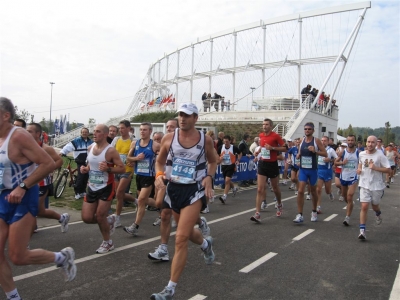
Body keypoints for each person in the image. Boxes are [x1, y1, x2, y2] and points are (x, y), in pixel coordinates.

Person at [0, 98, 76, 300]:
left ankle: (62, 257)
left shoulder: (19, 137)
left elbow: (49, 163)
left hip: (23, 197)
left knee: (18, 256)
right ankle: (14, 297)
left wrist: (23, 186)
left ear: (5, 116)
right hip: (2, 197)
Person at [151, 103, 216, 299]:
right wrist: (159, 175)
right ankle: (205, 244)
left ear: (195, 118)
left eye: (187, 115)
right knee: (185, 233)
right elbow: (159, 161)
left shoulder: (205, 140)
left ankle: (170, 289)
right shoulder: (169, 138)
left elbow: (213, 161)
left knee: (179, 238)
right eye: (180, 115)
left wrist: (209, 177)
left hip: (194, 190)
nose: (182, 118)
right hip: (174, 189)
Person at [80, 124, 125, 253]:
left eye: (98, 132)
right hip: (92, 187)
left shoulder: (110, 151)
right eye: (93, 131)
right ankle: (109, 220)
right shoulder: (90, 148)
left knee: (100, 216)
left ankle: (107, 242)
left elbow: (122, 168)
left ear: (105, 134)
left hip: (106, 186)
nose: (94, 133)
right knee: (87, 218)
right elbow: (90, 164)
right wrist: (85, 169)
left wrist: (108, 169)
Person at [26, 123, 69, 232]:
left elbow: (59, 161)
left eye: (30, 131)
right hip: (28, 182)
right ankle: (62, 218)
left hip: (42, 183)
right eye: (26, 130)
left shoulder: (46, 148)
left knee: (34, 208)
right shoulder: (25, 147)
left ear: (38, 133)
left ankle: (28, 234)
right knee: (39, 211)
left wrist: (50, 169)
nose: (27, 133)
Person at [123, 122, 160, 236]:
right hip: (138, 176)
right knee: (143, 201)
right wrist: (136, 158)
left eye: (145, 129)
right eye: (141, 129)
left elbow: (163, 158)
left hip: (149, 177)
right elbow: (128, 158)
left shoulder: (155, 145)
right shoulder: (135, 143)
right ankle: (164, 206)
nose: (142, 131)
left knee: (141, 200)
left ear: (150, 131)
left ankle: (135, 226)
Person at [252, 118, 287, 222]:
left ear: (271, 126)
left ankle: (279, 204)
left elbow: (285, 148)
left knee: (275, 188)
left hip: (272, 164)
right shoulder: (261, 135)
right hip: (262, 164)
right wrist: (258, 152)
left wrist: (273, 148)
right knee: (259, 189)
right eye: (263, 124)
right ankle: (257, 213)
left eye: (266, 124)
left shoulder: (275, 136)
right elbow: (262, 147)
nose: (264, 126)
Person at [356, 136, 391, 240]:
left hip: (376, 186)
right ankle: (362, 231)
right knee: (364, 206)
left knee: (375, 205)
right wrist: (359, 170)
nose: (370, 144)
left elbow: (388, 170)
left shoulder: (380, 155)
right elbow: (360, 164)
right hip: (364, 184)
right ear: (366, 143)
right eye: (368, 142)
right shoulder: (362, 154)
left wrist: (376, 168)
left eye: (372, 142)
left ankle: (378, 213)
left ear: (376, 144)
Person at [293, 122, 327, 223]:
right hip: (303, 169)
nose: (307, 130)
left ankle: (314, 211)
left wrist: (315, 151)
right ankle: (300, 215)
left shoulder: (316, 141)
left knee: (313, 191)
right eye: (306, 129)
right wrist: (298, 155)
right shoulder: (302, 140)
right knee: (300, 191)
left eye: (309, 129)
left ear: (313, 130)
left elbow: (325, 153)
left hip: (313, 170)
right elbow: (300, 152)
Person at [111, 120, 136, 228]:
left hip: (127, 170)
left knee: (120, 192)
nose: (120, 130)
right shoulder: (116, 139)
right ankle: (136, 200)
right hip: (117, 170)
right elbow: (110, 151)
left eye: (123, 128)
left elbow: (138, 154)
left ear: (128, 128)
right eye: (119, 128)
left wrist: (133, 160)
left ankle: (117, 218)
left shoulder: (133, 140)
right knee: (118, 194)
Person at [59, 127, 93, 199]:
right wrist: (62, 152)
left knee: (86, 177)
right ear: (81, 133)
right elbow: (68, 147)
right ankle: (77, 192)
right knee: (80, 177)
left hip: (88, 162)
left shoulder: (91, 142)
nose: (84, 133)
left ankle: (83, 191)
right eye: (83, 132)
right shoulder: (76, 141)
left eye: (86, 132)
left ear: (88, 133)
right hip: (80, 161)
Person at [335, 135, 359, 226]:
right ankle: (350, 204)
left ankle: (347, 218)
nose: (350, 142)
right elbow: (335, 162)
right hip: (344, 176)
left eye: (352, 140)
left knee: (349, 196)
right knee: (345, 196)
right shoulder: (343, 152)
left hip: (354, 177)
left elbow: (362, 164)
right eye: (348, 140)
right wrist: (342, 163)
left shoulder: (358, 153)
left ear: (354, 141)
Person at [316, 136, 338, 213]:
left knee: (327, 190)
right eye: (322, 140)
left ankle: (330, 193)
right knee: (318, 189)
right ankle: (318, 207)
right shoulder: (317, 149)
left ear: (328, 142)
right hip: (319, 170)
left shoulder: (330, 150)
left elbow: (337, 158)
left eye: (325, 141)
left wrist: (330, 160)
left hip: (327, 171)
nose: (323, 142)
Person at [217, 135, 241, 204]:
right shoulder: (220, 147)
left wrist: (238, 160)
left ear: (230, 141)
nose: (226, 143)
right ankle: (234, 188)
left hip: (231, 165)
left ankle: (224, 197)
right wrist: (219, 159)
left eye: (227, 142)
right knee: (227, 180)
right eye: (224, 142)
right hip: (224, 166)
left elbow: (240, 153)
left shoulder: (234, 148)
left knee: (227, 180)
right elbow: (216, 155)